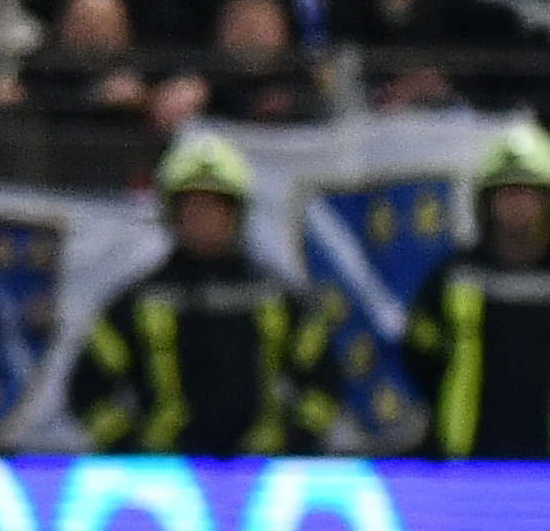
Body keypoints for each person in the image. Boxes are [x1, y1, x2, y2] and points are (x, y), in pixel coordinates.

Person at [68, 136, 344, 455]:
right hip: (167, 474)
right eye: (192, 207)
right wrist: (131, 453)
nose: (204, 219)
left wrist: (293, 446)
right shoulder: (138, 301)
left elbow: (325, 385)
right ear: (172, 214)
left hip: (259, 472)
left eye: (215, 207)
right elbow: (86, 389)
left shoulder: (278, 298)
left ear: (237, 213)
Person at [404, 121, 550, 459]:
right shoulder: (456, 275)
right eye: (507, 193)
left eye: (528, 194)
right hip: (465, 460)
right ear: (486, 202)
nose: (517, 205)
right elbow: (418, 351)